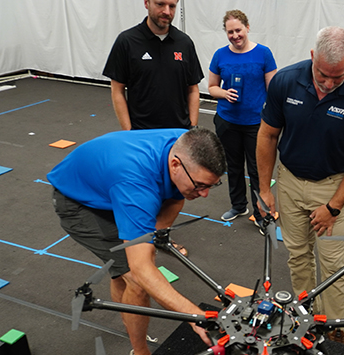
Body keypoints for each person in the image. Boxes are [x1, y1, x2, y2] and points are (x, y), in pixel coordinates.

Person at [256, 26, 344, 344]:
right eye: (322, 74)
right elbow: (267, 135)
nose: (327, 84)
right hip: (288, 181)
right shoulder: (285, 81)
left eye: (337, 78)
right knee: (297, 255)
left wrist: (333, 207)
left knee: (333, 265)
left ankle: (334, 327)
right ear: (312, 56)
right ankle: (304, 317)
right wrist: (264, 189)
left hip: (332, 188)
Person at [48, 128, 226, 355]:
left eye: (211, 185)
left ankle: (131, 316)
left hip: (110, 185)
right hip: (78, 202)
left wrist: (153, 238)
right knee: (137, 281)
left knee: (130, 267)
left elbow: (176, 197)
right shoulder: (137, 186)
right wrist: (196, 317)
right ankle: (140, 351)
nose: (205, 194)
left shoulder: (186, 144)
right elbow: (141, 269)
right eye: (200, 185)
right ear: (175, 165)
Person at [208, 9, 277, 224]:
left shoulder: (263, 53)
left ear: (247, 28)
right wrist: (224, 93)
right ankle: (238, 206)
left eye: (238, 30)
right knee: (234, 167)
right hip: (228, 121)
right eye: (230, 32)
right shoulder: (220, 55)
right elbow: (211, 87)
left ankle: (261, 214)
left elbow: (273, 90)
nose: (235, 35)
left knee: (257, 171)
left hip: (257, 124)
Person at [103, 0, 204, 130]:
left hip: (179, 133)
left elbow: (193, 89)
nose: (167, 11)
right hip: (141, 133)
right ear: (146, 3)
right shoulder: (127, 41)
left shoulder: (185, 43)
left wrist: (192, 127)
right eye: (160, 4)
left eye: (172, 6)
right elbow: (117, 91)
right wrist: (129, 132)